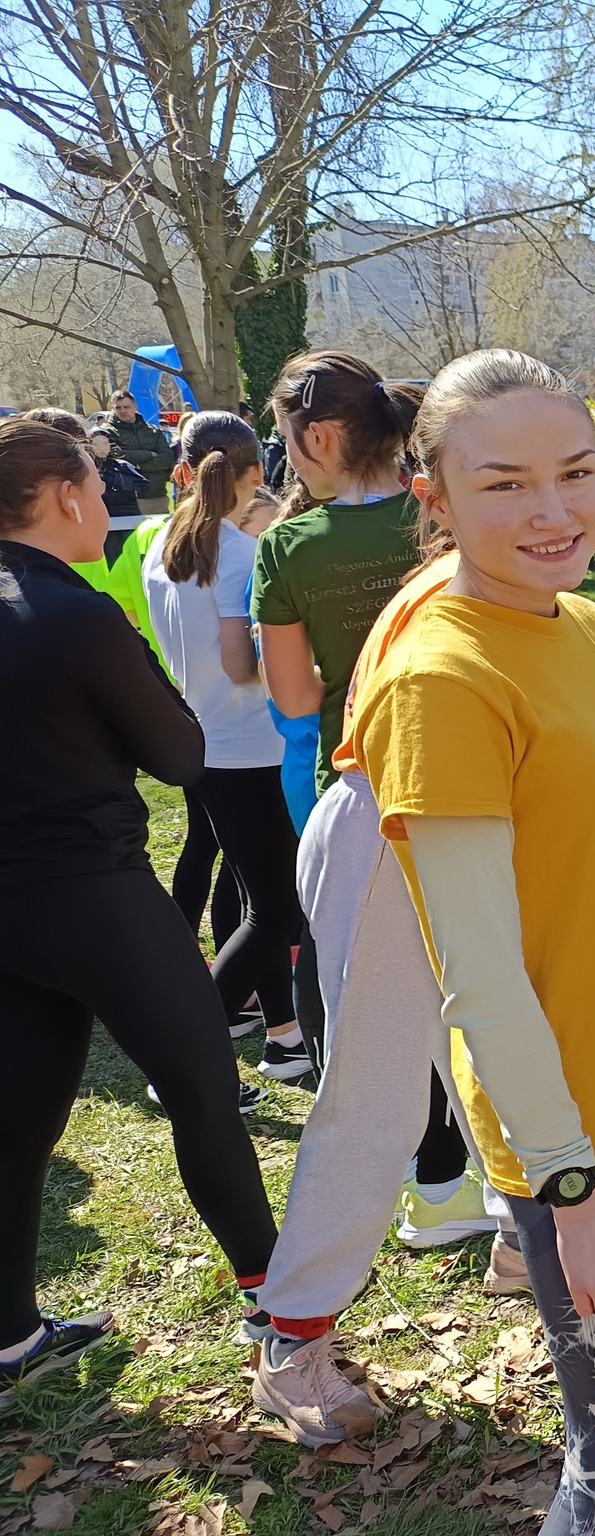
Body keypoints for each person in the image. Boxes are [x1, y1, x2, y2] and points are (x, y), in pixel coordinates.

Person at [353, 350, 595, 1533]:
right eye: (504, 483)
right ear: (432, 496)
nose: (556, 510)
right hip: (575, 1147)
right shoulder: (442, 683)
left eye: (573, 471)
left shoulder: (584, 622)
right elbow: (479, 981)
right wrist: (571, 1194)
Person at [0, 420, 278, 1404]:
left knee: (20, 1120)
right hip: (94, 891)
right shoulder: (76, 615)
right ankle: (279, 1304)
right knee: (203, 1090)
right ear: (65, 496)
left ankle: (10, 1335)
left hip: (12, 908)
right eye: (94, 481)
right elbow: (180, 755)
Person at [251, 350, 494, 1244]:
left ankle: (437, 1189)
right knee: (485, 980)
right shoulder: (444, 515)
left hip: (360, 791)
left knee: (387, 1002)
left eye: (286, 442)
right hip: (471, 776)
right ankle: (518, 1189)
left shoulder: (287, 547)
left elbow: (292, 699)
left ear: (317, 438)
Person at [143, 412, 310, 1082]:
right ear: (256, 472)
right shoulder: (239, 551)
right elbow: (245, 666)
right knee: (275, 910)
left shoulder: (162, 544)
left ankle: (283, 1038)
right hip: (252, 747)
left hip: (206, 741)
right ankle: (184, 1062)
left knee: (253, 899)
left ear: (185, 467)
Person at [106, 390, 178, 517]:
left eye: (126, 407)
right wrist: (149, 454)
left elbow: (167, 458)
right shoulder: (107, 433)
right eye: (118, 407)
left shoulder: (153, 431)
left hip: (157, 495)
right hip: (125, 501)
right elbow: (115, 457)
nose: (122, 411)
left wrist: (139, 466)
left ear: (135, 407)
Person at [88, 428, 150, 561]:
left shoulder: (123, 466)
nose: (101, 448)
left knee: (132, 554)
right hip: (103, 520)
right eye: (96, 444)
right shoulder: (87, 469)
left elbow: (143, 487)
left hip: (129, 517)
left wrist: (123, 489)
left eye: (104, 443)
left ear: (111, 444)